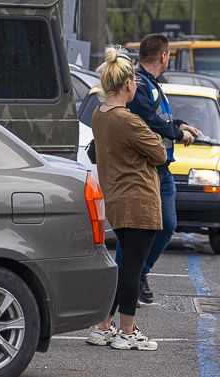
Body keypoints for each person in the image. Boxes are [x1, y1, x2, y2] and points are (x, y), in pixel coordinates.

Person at [85, 49, 167, 351]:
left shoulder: (99, 114)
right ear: (128, 84)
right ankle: (127, 331)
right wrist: (158, 139)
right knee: (132, 267)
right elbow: (159, 153)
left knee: (124, 265)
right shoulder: (128, 120)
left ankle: (104, 326)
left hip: (117, 198)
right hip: (139, 199)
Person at [118, 34, 200, 305]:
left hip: (163, 167)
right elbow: (147, 119)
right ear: (164, 56)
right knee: (135, 229)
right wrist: (177, 133)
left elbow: (160, 118)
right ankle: (124, 282)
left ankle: (138, 274)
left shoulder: (152, 84)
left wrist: (180, 123)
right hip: (146, 167)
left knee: (167, 225)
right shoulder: (138, 83)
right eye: (168, 56)